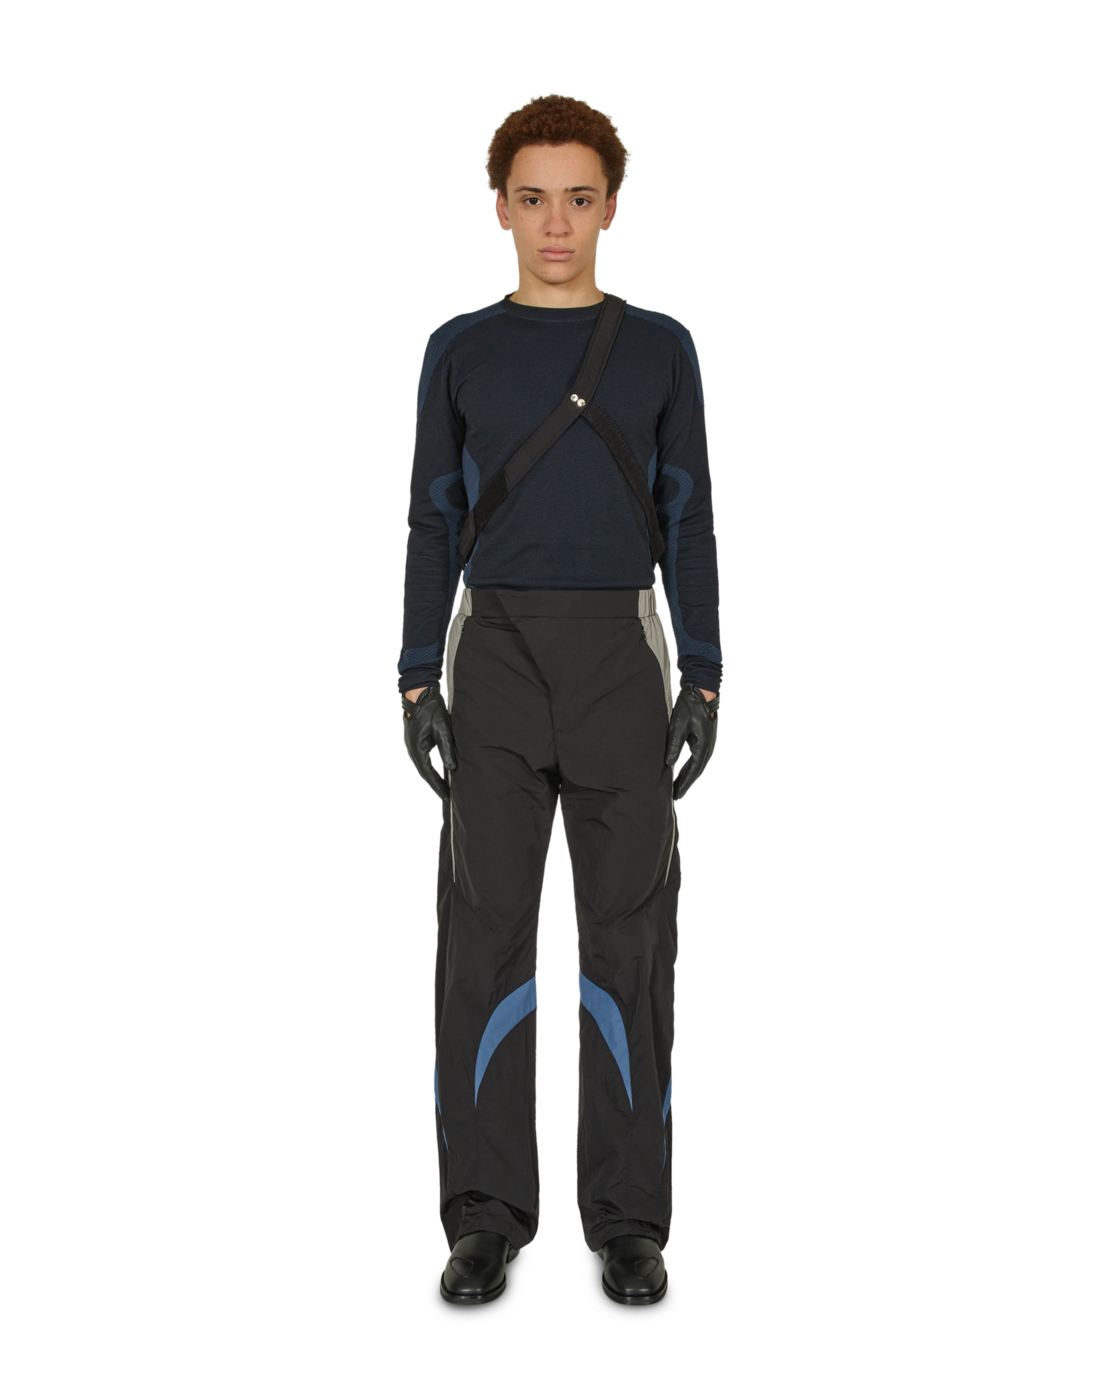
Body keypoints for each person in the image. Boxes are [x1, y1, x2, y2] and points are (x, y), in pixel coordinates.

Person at [396, 92, 724, 1307]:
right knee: (483, 939)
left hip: (623, 662)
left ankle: (628, 1219)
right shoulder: (458, 348)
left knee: (628, 940)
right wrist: (414, 672)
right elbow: (430, 519)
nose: (554, 223)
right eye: (531, 198)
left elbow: (691, 517)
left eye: (579, 198)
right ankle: (484, 1216)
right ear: (497, 207)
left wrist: (704, 670)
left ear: (613, 207)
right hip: (488, 658)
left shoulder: (661, 347)